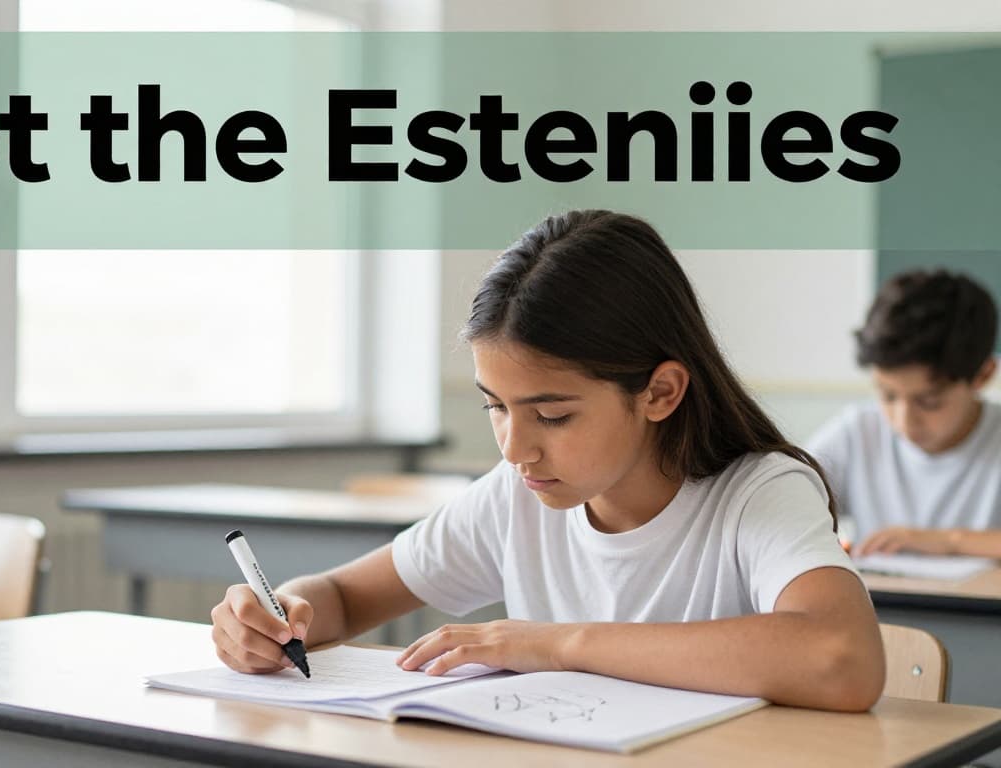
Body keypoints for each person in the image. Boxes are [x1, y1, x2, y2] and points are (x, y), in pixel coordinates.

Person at [210, 210, 885, 711]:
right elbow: (346, 597)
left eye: (553, 415)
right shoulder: (518, 493)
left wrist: (558, 643)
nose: (515, 448)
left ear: (660, 392)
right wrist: (279, 615)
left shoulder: (757, 493)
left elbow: (841, 659)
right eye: (495, 407)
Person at [807, 269, 1001, 559]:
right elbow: (782, 503)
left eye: (930, 401)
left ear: (983, 376)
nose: (904, 421)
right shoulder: (858, 430)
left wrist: (950, 541)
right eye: (888, 395)